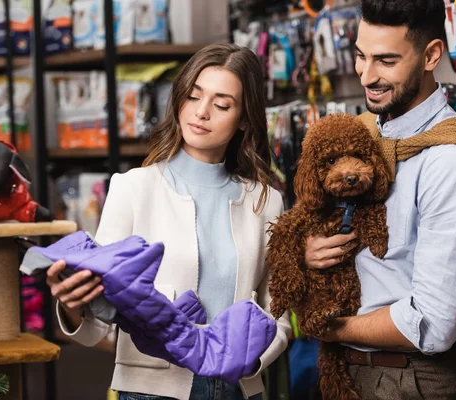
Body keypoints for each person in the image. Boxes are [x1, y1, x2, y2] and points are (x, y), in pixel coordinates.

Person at [45, 43, 291, 400]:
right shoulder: (132, 188)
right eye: (193, 96)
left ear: (243, 120)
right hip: (151, 391)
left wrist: (248, 361)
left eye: (221, 104)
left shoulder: (266, 202)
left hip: (237, 389)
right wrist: (72, 304)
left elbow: (278, 312)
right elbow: (98, 324)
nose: (201, 112)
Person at [304, 0, 456, 398]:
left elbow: (431, 324)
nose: (366, 75)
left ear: (431, 55)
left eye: (386, 61)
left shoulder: (452, 163)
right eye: (361, 56)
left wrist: (327, 326)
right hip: (349, 371)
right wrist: (311, 251)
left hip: (409, 380)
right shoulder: (364, 137)